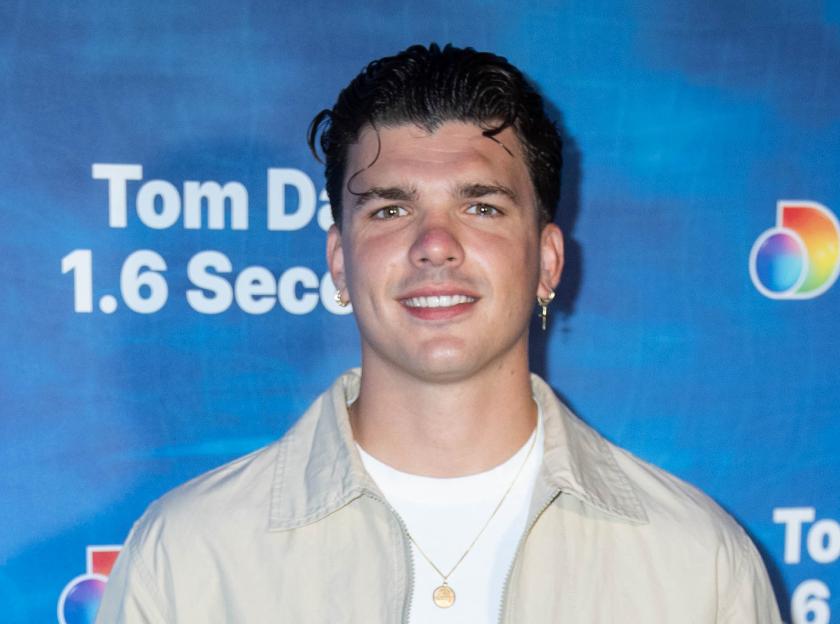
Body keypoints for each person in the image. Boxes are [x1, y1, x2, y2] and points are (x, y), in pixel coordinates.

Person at [97, 43, 782, 623]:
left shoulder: (697, 564)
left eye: (481, 207)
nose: (434, 245)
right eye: (391, 210)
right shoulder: (190, 558)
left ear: (547, 262)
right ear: (339, 261)